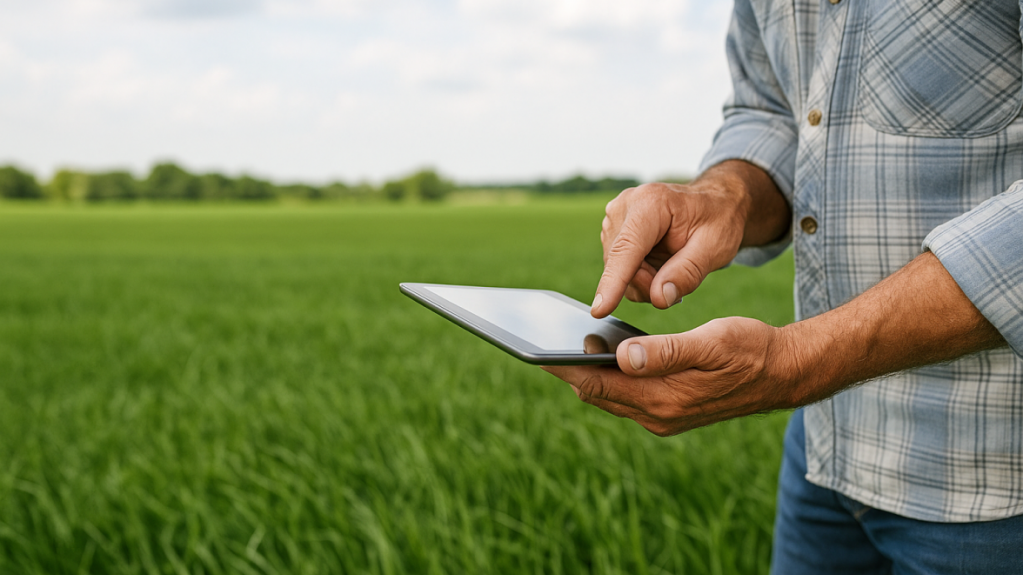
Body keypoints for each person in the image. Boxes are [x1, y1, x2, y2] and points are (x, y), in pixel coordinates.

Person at [542, 0, 1023, 572]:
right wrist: (724, 197)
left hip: (990, 475)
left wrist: (797, 361)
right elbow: (769, 112)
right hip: (820, 449)